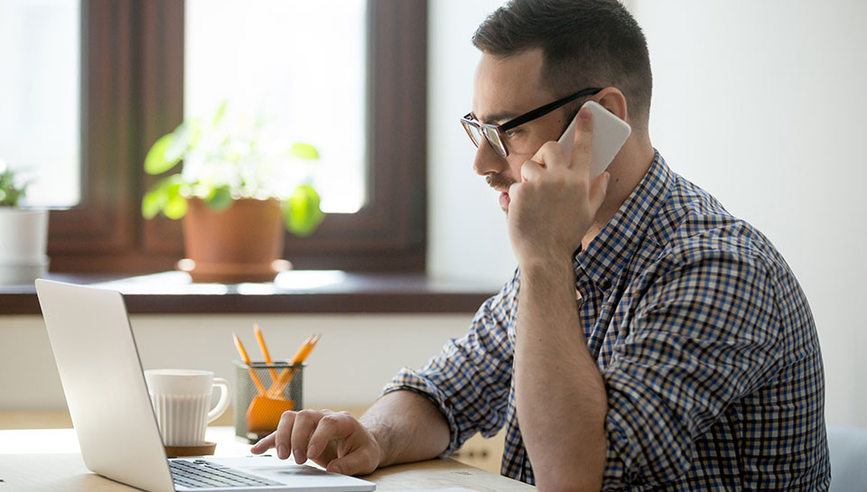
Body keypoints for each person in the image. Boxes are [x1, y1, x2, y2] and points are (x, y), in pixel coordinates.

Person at [252, 0, 831, 490]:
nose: (482, 163)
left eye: (510, 131)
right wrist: (371, 437)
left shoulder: (716, 268)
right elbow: (443, 393)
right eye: (478, 130)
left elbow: (576, 476)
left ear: (601, 121)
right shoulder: (569, 251)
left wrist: (543, 260)